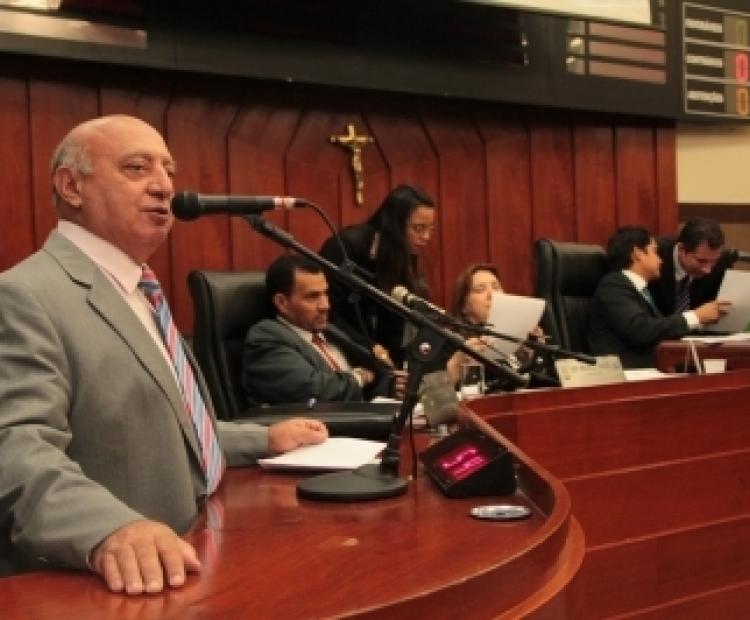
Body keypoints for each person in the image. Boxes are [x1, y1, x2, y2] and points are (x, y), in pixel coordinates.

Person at [0, 115, 328, 594]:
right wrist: (109, 529)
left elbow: (153, 426)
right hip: (104, 590)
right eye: (136, 168)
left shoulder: (138, 289)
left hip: (195, 556)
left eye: (168, 171)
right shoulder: (23, 296)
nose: (164, 186)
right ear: (71, 186)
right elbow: (15, 449)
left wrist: (262, 438)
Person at [242, 254, 396, 405]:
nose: (325, 305)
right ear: (282, 303)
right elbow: (314, 391)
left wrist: (392, 386)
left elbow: (373, 375)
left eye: (325, 294)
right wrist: (359, 377)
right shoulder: (266, 337)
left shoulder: (329, 330)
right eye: (312, 296)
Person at [319, 184, 436, 368]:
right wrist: (368, 347)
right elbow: (327, 314)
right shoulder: (346, 247)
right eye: (419, 228)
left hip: (376, 353)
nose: (426, 237)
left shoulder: (403, 254)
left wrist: (396, 369)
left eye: (430, 229)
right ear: (395, 224)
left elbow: (395, 318)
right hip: (336, 347)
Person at [587, 226, 729, 368]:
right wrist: (696, 316)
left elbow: (660, 331)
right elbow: (641, 330)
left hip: (648, 370)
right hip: (625, 373)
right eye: (654, 252)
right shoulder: (613, 286)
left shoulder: (641, 291)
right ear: (638, 254)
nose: (660, 260)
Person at [446, 263, 553, 389]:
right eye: (480, 290)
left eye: (496, 287)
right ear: (464, 306)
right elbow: (434, 395)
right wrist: (455, 366)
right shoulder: (452, 342)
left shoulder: (516, 338)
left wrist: (536, 354)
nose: (492, 295)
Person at [648, 217, 736, 318]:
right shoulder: (653, 256)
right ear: (681, 249)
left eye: (714, 261)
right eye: (701, 261)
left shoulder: (722, 262)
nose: (708, 270)